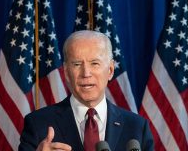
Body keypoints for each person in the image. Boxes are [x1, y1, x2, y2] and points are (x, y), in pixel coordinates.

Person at [18, 30, 154, 151]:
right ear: (66, 72)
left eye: (94, 63)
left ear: (110, 70)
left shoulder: (137, 127)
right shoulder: (38, 124)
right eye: (77, 64)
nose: (86, 73)